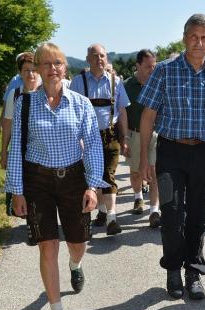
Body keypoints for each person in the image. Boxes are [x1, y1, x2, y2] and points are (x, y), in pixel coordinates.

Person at [5, 42, 108, 310]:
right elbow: (17, 151)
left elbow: (91, 145)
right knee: (47, 246)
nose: (52, 69)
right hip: (38, 182)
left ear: (66, 68)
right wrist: (17, 191)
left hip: (74, 180)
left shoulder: (81, 103)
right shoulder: (25, 103)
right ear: (36, 68)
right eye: (46, 64)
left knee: (77, 243)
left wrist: (91, 185)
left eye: (58, 63)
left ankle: (75, 266)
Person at [138, 13, 205, 300]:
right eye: (194, 36)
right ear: (184, 38)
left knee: (197, 216)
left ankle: (193, 272)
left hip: (204, 154)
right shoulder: (165, 71)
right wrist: (145, 158)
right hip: (170, 152)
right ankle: (172, 270)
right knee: (170, 214)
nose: (199, 42)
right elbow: (147, 117)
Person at [70, 44, 130, 236]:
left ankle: (112, 218)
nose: (99, 59)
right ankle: (100, 212)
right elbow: (72, 113)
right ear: (88, 59)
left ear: (107, 58)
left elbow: (122, 111)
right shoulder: (78, 82)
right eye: (95, 56)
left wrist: (125, 137)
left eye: (102, 55)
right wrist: (76, 138)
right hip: (86, 138)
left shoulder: (116, 81)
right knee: (90, 178)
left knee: (109, 175)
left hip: (110, 136)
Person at [123, 49, 161, 227]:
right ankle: (138, 197)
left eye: (154, 66)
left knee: (154, 172)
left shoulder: (159, 84)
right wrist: (124, 137)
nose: (152, 70)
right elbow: (121, 113)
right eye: (148, 67)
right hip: (134, 134)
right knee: (136, 171)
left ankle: (154, 210)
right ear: (137, 66)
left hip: (155, 134)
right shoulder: (125, 86)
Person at [0, 52, 41, 169]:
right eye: (26, 70)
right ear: (20, 73)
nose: (31, 74)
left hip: (44, 151)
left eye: (34, 70)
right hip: (20, 150)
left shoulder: (47, 93)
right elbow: (7, 125)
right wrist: (3, 152)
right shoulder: (14, 95)